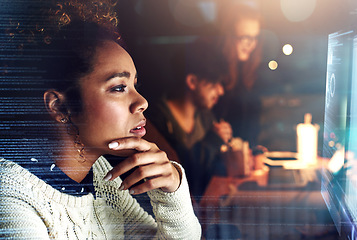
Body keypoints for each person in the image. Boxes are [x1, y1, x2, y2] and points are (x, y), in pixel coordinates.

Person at [0, 3, 201, 239]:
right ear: (59, 105)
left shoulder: (102, 178)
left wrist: (172, 193)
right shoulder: (11, 196)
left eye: (135, 85)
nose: (142, 102)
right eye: (118, 87)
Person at [146, 40, 232, 198]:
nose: (220, 91)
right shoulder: (156, 121)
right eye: (214, 83)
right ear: (192, 81)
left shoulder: (206, 119)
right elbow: (183, 176)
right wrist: (213, 141)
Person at [213, 3, 263, 150]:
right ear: (229, 36)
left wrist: (254, 150)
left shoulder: (249, 71)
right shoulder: (215, 73)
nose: (251, 44)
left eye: (255, 38)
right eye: (245, 37)